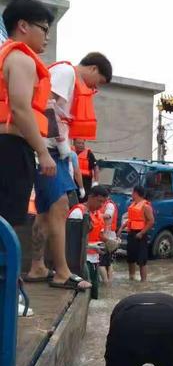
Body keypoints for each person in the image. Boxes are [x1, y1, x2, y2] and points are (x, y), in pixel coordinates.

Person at [26, 52, 112, 290]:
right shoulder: (66, 73)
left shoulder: (68, 76)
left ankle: (37, 266)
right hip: (50, 151)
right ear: (93, 69)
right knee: (61, 206)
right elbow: (46, 105)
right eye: (100, 82)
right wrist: (62, 146)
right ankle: (62, 273)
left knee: (44, 213)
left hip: (50, 150)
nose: (96, 88)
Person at [0, 0, 56, 227]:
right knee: (8, 223)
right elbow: (21, 109)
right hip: (11, 149)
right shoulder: (22, 59)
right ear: (23, 26)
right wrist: (43, 153)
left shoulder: (5, 56)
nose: (47, 36)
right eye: (43, 28)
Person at [68, 185, 109, 299]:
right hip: (82, 261)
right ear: (90, 197)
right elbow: (71, 243)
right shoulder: (78, 212)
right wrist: (91, 246)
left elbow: (98, 235)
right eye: (99, 201)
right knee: (85, 294)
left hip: (94, 259)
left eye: (103, 203)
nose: (101, 205)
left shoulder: (97, 214)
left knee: (94, 296)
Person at [117, 185, 154, 282]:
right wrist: (121, 228)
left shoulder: (146, 206)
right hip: (131, 233)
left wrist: (142, 233)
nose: (131, 194)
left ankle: (143, 281)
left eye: (132, 192)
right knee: (130, 258)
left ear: (136, 193)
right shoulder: (133, 205)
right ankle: (131, 278)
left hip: (140, 235)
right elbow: (130, 219)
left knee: (142, 260)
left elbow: (151, 221)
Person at [98, 195, 118, 283]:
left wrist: (94, 214)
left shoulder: (109, 205)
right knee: (107, 262)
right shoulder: (106, 204)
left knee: (102, 262)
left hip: (107, 236)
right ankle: (109, 283)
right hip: (106, 235)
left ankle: (106, 283)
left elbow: (108, 216)